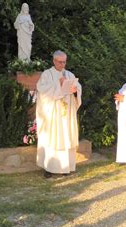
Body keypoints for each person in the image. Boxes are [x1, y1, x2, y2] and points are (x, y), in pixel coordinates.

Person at [36, 50, 82, 178]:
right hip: (53, 114)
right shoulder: (47, 74)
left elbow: (78, 88)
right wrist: (59, 84)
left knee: (66, 137)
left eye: (64, 62)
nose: (62, 65)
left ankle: (66, 167)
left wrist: (75, 91)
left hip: (66, 113)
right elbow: (42, 90)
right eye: (60, 62)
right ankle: (50, 168)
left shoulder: (69, 74)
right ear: (54, 61)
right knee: (52, 138)